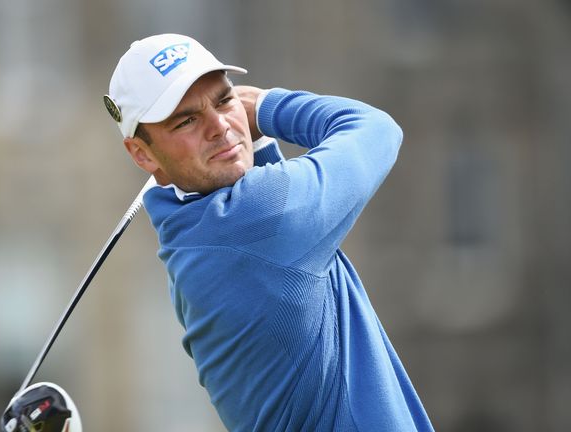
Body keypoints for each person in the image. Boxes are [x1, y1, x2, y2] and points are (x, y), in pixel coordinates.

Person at [103, 33, 434, 431]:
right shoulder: (257, 218)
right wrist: (265, 107)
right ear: (142, 153)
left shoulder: (188, 239)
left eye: (224, 100)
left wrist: (249, 138)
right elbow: (376, 130)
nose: (220, 126)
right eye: (187, 120)